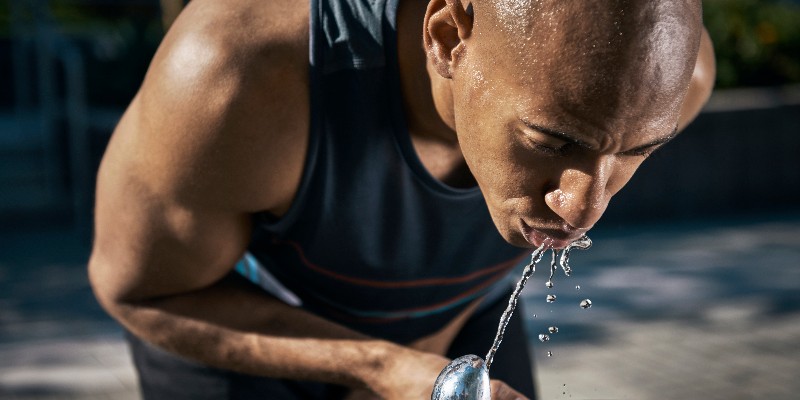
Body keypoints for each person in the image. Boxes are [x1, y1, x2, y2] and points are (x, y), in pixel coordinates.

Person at [88, 0, 715, 398]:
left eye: (638, 151)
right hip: (244, 326)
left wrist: (421, 364)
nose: (585, 209)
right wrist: (377, 367)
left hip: (454, 320)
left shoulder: (674, 81)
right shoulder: (237, 77)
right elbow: (143, 291)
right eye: (551, 142)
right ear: (447, 36)